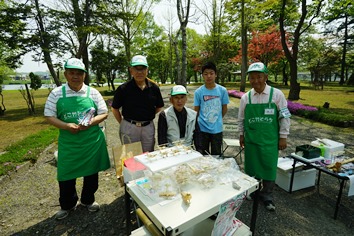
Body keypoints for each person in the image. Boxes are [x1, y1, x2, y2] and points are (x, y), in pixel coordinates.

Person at [44, 58, 110, 220]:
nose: (75, 76)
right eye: (71, 73)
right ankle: (67, 205)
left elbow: (104, 112)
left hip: (91, 142)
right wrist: (66, 126)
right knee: (66, 175)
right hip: (69, 143)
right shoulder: (57, 93)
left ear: (84, 75)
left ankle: (88, 200)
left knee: (91, 174)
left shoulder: (92, 92)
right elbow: (49, 115)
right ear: (66, 74)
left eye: (79, 73)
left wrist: (91, 122)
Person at [238, 62, 291, 211]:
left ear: (266, 77)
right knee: (252, 168)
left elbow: (284, 116)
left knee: (269, 168)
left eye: (259, 77)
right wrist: (241, 135)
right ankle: (253, 192)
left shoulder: (277, 94)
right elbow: (241, 119)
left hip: (270, 142)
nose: (256, 81)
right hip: (252, 141)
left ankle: (267, 196)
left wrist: (283, 136)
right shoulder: (246, 98)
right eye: (252, 78)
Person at [111, 55, 164, 152]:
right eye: (136, 69)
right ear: (131, 70)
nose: (139, 72)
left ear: (147, 70)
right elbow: (114, 109)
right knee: (131, 157)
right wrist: (123, 123)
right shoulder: (123, 89)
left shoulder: (154, 88)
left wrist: (147, 115)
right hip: (129, 126)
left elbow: (159, 106)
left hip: (148, 127)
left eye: (142, 69)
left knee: (148, 156)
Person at [194, 61, 229, 156]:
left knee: (216, 155)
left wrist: (216, 119)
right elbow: (196, 111)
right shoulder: (198, 92)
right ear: (202, 76)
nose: (209, 76)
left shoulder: (222, 91)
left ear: (216, 75)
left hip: (217, 129)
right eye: (205, 74)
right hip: (202, 129)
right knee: (202, 155)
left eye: (211, 73)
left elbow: (224, 109)